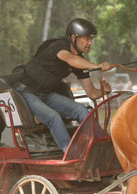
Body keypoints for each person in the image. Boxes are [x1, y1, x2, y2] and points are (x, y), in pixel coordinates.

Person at [13, 18, 112, 152]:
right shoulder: (58, 46)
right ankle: (71, 153)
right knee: (53, 117)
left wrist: (103, 91)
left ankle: (101, 146)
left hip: (46, 95)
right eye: (87, 39)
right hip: (26, 93)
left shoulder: (80, 62)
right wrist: (97, 66)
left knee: (82, 111)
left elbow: (91, 93)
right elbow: (70, 59)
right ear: (73, 37)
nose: (90, 43)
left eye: (91, 39)